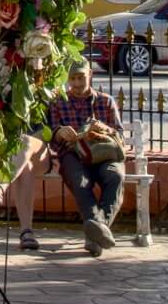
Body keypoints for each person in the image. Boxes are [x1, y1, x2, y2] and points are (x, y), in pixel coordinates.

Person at [47, 63, 126, 255]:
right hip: (72, 155)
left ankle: (96, 232)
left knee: (115, 176)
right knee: (80, 182)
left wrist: (104, 129)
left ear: (90, 75)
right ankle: (99, 233)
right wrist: (59, 133)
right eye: (73, 78)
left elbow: (119, 134)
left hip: (104, 153)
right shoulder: (58, 101)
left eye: (81, 77)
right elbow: (50, 134)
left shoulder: (105, 101)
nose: (76, 83)